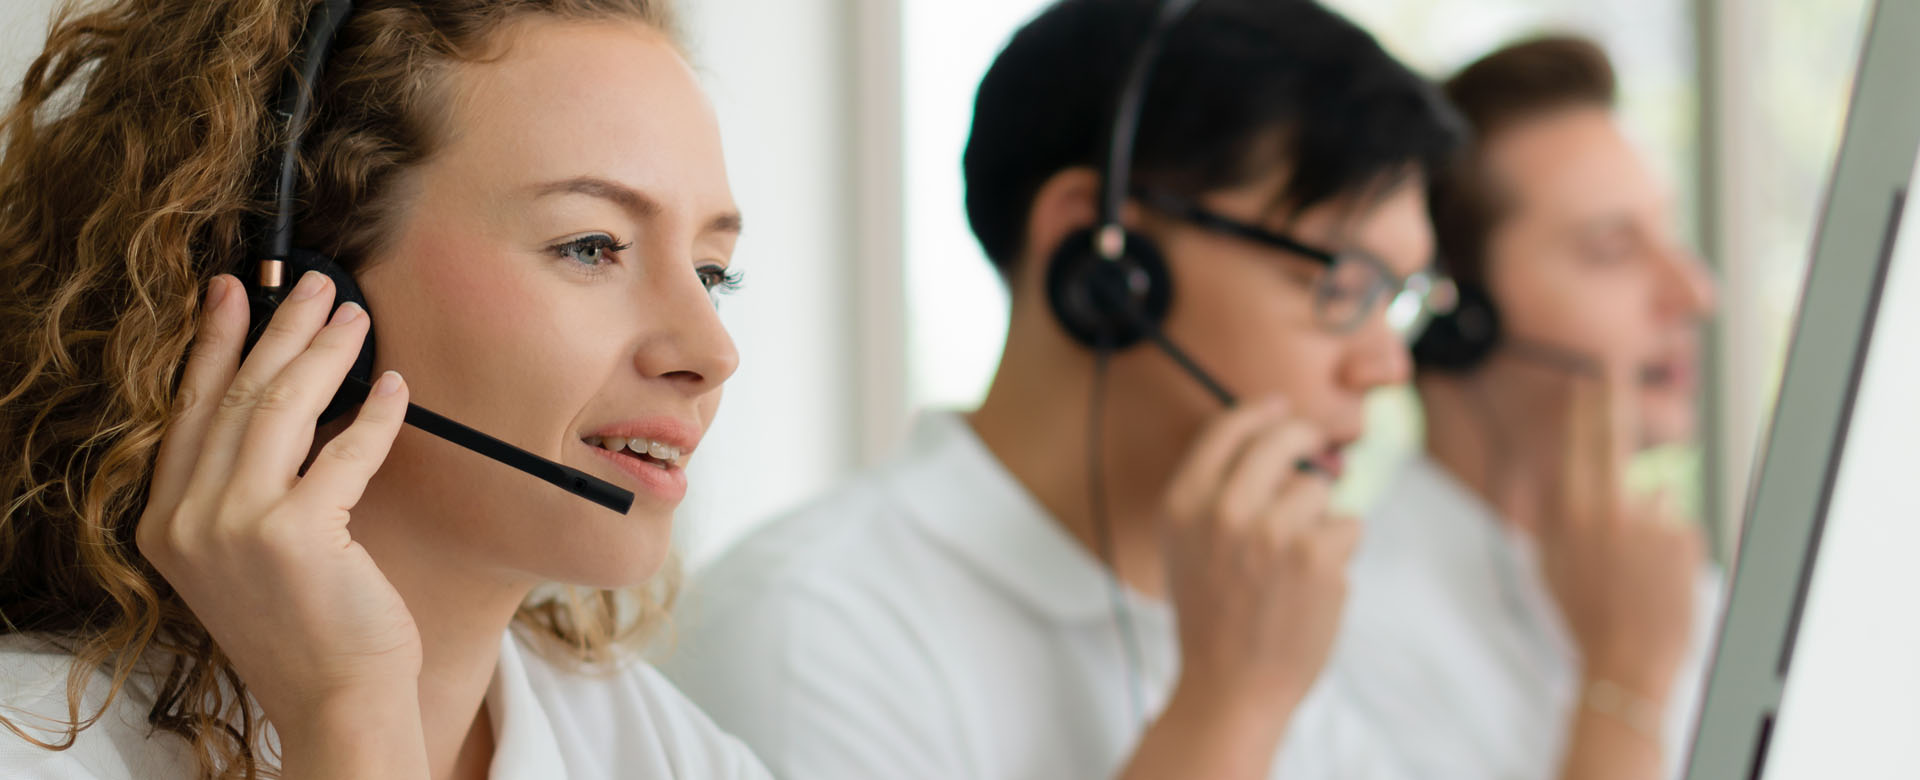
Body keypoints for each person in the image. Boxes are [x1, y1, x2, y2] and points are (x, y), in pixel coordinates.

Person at [659, 0, 1463, 777]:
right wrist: (1229, 713)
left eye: (1398, 297)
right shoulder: (809, 634)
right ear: (1103, 253)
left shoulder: (1257, 607)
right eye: (1341, 282)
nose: (1388, 366)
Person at [0, 1, 769, 778]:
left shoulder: (665, 755)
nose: (713, 350)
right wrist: (351, 713)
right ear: (303, 298)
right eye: (592, 246)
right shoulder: (29, 748)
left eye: (712, 273)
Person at [1330, 36, 1722, 780]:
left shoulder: (1688, 598)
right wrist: (1624, 679)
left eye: (1666, 236)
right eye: (1612, 250)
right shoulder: (1342, 637)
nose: (1694, 293)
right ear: (1454, 316)